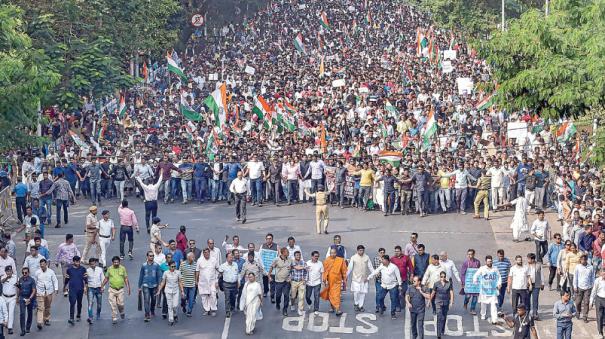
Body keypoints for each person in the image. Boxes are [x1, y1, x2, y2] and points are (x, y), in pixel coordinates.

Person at [368, 254, 402, 319]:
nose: (381, 261)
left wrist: (400, 285)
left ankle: (393, 313)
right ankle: (382, 307)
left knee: (393, 299)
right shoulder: (381, 266)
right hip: (384, 285)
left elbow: (398, 276)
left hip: (393, 286)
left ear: (386, 260)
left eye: (382, 260)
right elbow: (375, 272)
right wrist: (368, 277)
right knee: (380, 298)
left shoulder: (394, 267)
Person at [472, 255, 501, 325]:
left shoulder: (495, 269)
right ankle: (483, 315)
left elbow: (499, 277)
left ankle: (494, 319)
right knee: (483, 304)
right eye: (488, 261)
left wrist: (499, 284)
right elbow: (475, 275)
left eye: (490, 261)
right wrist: (475, 282)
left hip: (493, 291)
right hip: (484, 290)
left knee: (494, 305)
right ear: (486, 262)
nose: (489, 263)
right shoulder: (482, 269)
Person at [102, 256, 130, 324]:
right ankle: (114, 317)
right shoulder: (109, 269)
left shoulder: (123, 268)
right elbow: (106, 278)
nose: (116, 263)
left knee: (120, 304)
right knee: (113, 304)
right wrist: (102, 286)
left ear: (119, 262)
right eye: (115, 262)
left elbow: (125, 278)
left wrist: (128, 287)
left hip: (120, 290)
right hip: (112, 289)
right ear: (112, 262)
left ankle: (121, 312)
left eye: (117, 262)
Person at [347, 245, 374, 313]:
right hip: (356, 278)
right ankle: (356, 303)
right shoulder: (353, 257)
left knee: (363, 293)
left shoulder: (366, 257)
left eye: (362, 250)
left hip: (364, 279)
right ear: (357, 251)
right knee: (356, 292)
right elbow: (350, 268)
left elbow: (370, 267)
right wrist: (345, 276)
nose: (361, 252)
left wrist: (373, 274)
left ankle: (360, 306)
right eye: (360, 250)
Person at [321, 248, 347, 316]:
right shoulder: (327, 260)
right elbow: (325, 271)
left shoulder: (340, 260)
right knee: (330, 294)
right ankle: (332, 307)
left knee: (336, 295)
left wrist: (344, 279)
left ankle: (338, 309)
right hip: (329, 281)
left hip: (337, 281)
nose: (333, 254)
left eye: (334, 253)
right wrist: (324, 280)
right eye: (331, 253)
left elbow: (344, 270)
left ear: (336, 253)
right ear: (330, 253)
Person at [34, 258, 58, 330]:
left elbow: (55, 280)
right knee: (40, 308)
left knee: (47, 306)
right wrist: (34, 290)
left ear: (46, 264)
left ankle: (46, 318)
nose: (42, 266)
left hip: (49, 292)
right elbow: (35, 282)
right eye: (41, 265)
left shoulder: (51, 272)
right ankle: (39, 322)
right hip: (40, 292)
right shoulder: (37, 272)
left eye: (43, 265)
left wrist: (56, 289)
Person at [157, 260, 183, 325]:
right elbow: (163, 282)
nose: (173, 268)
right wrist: (159, 290)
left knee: (175, 305)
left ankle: (175, 314)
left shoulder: (178, 272)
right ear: (169, 266)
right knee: (170, 305)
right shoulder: (166, 273)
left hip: (176, 291)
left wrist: (182, 291)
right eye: (172, 266)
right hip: (168, 290)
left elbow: (180, 282)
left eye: (174, 266)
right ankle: (171, 319)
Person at [138, 251, 162, 322]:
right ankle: (147, 314)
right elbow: (141, 276)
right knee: (146, 300)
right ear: (147, 257)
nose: (151, 257)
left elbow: (159, 276)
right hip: (146, 285)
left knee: (154, 300)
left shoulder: (156, 265)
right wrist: (139, 286)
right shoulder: (144, 265)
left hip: (154, 285)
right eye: (150, 256)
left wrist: (159, 285)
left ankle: (152, 310)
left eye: (152, 256)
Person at [268, 248, 292, 316]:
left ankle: (285, 309)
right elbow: (271, 267)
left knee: (286, 295)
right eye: (287, 252)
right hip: (278, 281)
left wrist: (291, 268)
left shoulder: (290, 259)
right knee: (278, 296)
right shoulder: (276, 260)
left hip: (287, 281)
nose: (288, 253)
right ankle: (278, 303)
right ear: (282, 253)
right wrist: (269, 276)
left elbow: (292, 267)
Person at [196, 248, 219, 316]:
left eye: (207, 252)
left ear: (209, 253)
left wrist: (217, 281)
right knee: (204, 296)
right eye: (205, 252)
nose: (206, 254)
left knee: (213, 295)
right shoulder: (199, 260)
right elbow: (197, 271)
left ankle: (213, 309)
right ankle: (207, 309)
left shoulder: (214, 260)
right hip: (202, 282)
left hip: (212, 281)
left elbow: (217, 269)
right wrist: (196, 280)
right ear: (203, 253)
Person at [431, 271, 454, 339]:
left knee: (444, 317)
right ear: (440, 277)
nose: (443, 278)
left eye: (444, 277)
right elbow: (433, 293)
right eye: (441, 277)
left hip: (446, 302)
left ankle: (442, 329)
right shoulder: (436, 284)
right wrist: (429, 301)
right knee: (439, 317)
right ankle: (438, 334)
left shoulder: (449, 284)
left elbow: (451, 293)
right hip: (438, 302)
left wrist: (451, 302)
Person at [66, 256, 87, 325]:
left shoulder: (83, 269)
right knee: (72, 302)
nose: (77, 263)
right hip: (72, 289)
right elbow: (67, 279)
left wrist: (86, 287)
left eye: (78, 261)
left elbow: (85, 279)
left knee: (79, 302)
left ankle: (78, 314)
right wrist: (65, 287)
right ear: (73, 262)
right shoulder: (69, 270)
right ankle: (71, 318)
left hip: (80, 288)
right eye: (76, 262)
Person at [573, 254, 594, 322]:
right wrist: (575, 286)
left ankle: (585, 316)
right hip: (579, 287)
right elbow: (575, 277)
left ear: (586, 260)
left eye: (584, 260)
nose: (583, 261)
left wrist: (592, 286)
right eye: (581, 260)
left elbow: (592, 277)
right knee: (578, 302)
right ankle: (578, 312)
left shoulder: (590, 267)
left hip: (588, 288)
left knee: (586, 303)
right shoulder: (578, 267)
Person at [218, 252, 240, 318]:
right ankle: (227, 311)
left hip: (234, 284)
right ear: (227, 258)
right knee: (227, 298)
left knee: (233, 297)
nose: (231, 258)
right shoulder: (223, 266)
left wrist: (238, 282)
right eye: (230, 257)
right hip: (226, 285)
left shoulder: (235, 264)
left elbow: (237, 273)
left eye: (232, 257)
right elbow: (220, 272)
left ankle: (232, 307)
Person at [17, 267, 36, 336]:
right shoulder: (20, 279)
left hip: (29, 297)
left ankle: (28, 327)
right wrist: (17, 297)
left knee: (29, 313)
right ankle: (23, 330)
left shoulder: (32, 280)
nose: (24, 274)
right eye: (23, 273)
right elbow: (19, 289)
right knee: (22, 313)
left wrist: (30, 299)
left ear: (28, 273)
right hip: (22, 297)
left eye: (25, 273)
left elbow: (34, 290)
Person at [460, 248, 480, 315]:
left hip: (475, 283)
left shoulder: (477, 262)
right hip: (468, 283)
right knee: (468, 296)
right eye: (468, 254)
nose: (469, 256)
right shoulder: (466, 263)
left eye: (471, 254)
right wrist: (463, 283)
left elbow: (479, 272)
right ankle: (465, 303)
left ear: (474, 254)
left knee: (475, 296)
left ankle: (472, 309)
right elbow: (463, 273)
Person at [493, 249, 512, 316]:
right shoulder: (494, 262)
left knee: (502, 296)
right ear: (497, 255)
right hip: (497, 282)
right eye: (500, 256)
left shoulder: (507, 261)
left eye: (502, 256)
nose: (501, 257)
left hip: (504, 282)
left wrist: (509, 281)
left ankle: (499, 306)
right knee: (498, 295)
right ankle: (498, 309)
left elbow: (510, 270)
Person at [305, 251, 323, 315]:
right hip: (309, 283)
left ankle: (316, 309)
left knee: (317, 296)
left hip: (317, 283)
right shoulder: (307, 263)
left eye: (317, 256)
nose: (317, 258)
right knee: (307, 296)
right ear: (312, 256)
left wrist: (323, 281)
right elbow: (304, 273)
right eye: (315, 256)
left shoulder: (320, 263)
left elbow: (322, 273)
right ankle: (309, 303)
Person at [86, 258, 104, 324]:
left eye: (94, 264)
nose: (93, 265)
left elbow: (103, 279)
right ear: (89, 264)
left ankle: (98, 313)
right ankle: (90, 317)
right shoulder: (87, 271)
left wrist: (103, 288)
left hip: (99, 288)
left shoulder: (100, 270)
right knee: (90, 303)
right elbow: (86, 281)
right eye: (91, 264)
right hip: (91, 288)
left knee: (99, 304)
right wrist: (85, 288)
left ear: (96, 263)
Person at [1, 266, 17, 335]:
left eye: (10, 271)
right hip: (4, 297)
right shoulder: (3, 276)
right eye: (7, 271)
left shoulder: (16, 277)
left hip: (12, 297)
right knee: (3, 311)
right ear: (5, 271)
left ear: (12, 271)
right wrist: (7, 277)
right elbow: (2, 281)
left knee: (11, 312)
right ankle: (3, 323)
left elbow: (18, 287)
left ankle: (10, 327)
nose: (9, 272)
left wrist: (18, 297)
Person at [589, 268, 605, 337]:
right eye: (603, 273)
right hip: (599, 300)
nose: (604, 275)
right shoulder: (597, 281)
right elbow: (594, 291)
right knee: (599, 317)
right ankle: (600, 332)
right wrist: (591, 302)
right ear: (600, 273)